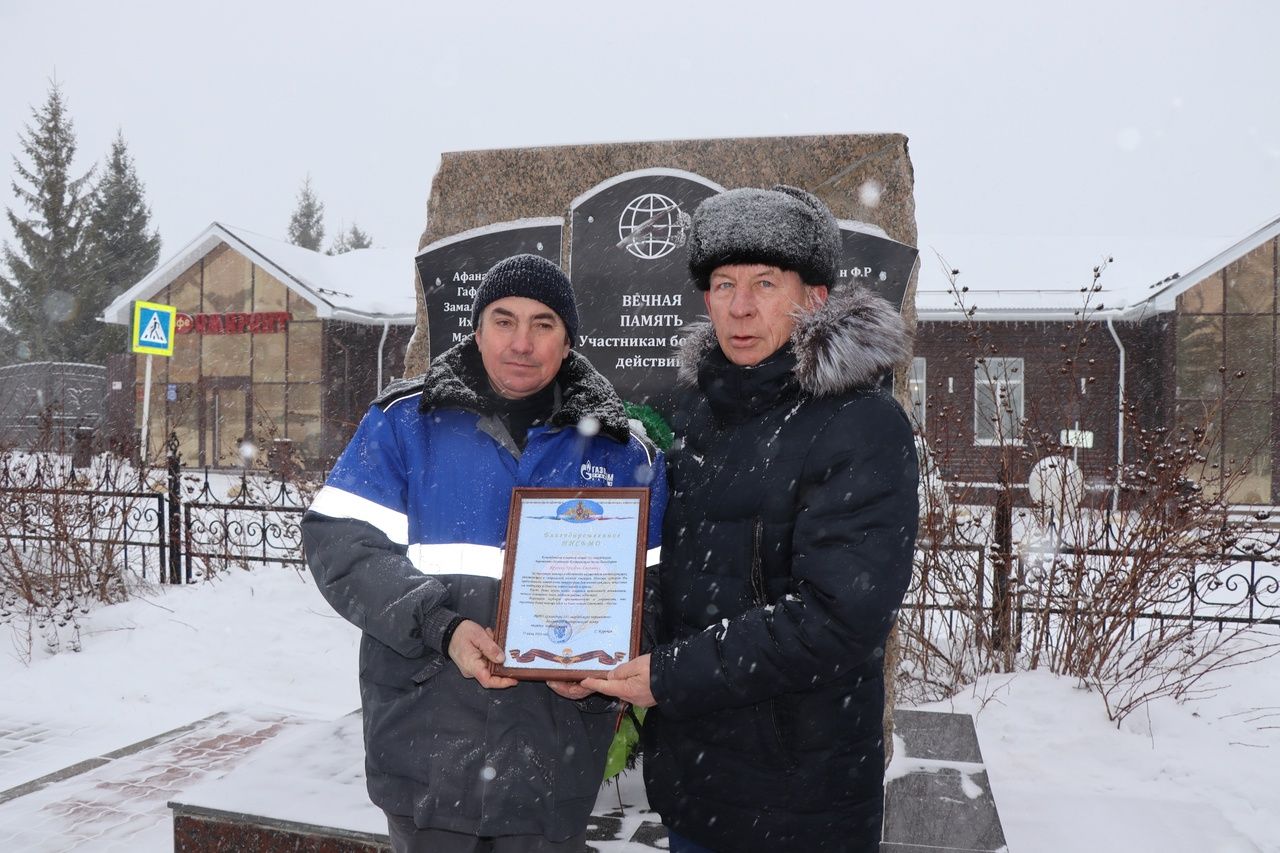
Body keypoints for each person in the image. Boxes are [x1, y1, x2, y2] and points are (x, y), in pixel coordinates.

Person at [583, 186, 919, 852]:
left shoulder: (862, 424)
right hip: (694, 789)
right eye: (723, 283)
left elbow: (837, 619)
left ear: (814, 296)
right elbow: (671, 572)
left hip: (798, 801)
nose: (739, 307)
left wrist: (666, 675)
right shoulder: (696, 415)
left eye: (765, 283)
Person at [302, 253, 666, 853]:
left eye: (543, 324)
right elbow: (340, 543)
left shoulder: (626, 454)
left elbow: (655, 589)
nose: (521, 342)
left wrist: (602, 666)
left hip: (553, 759)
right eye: (504, 320)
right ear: (477, 328)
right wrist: (441, 627)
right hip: (427, 750)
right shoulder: (402, 425)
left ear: (568, 341)